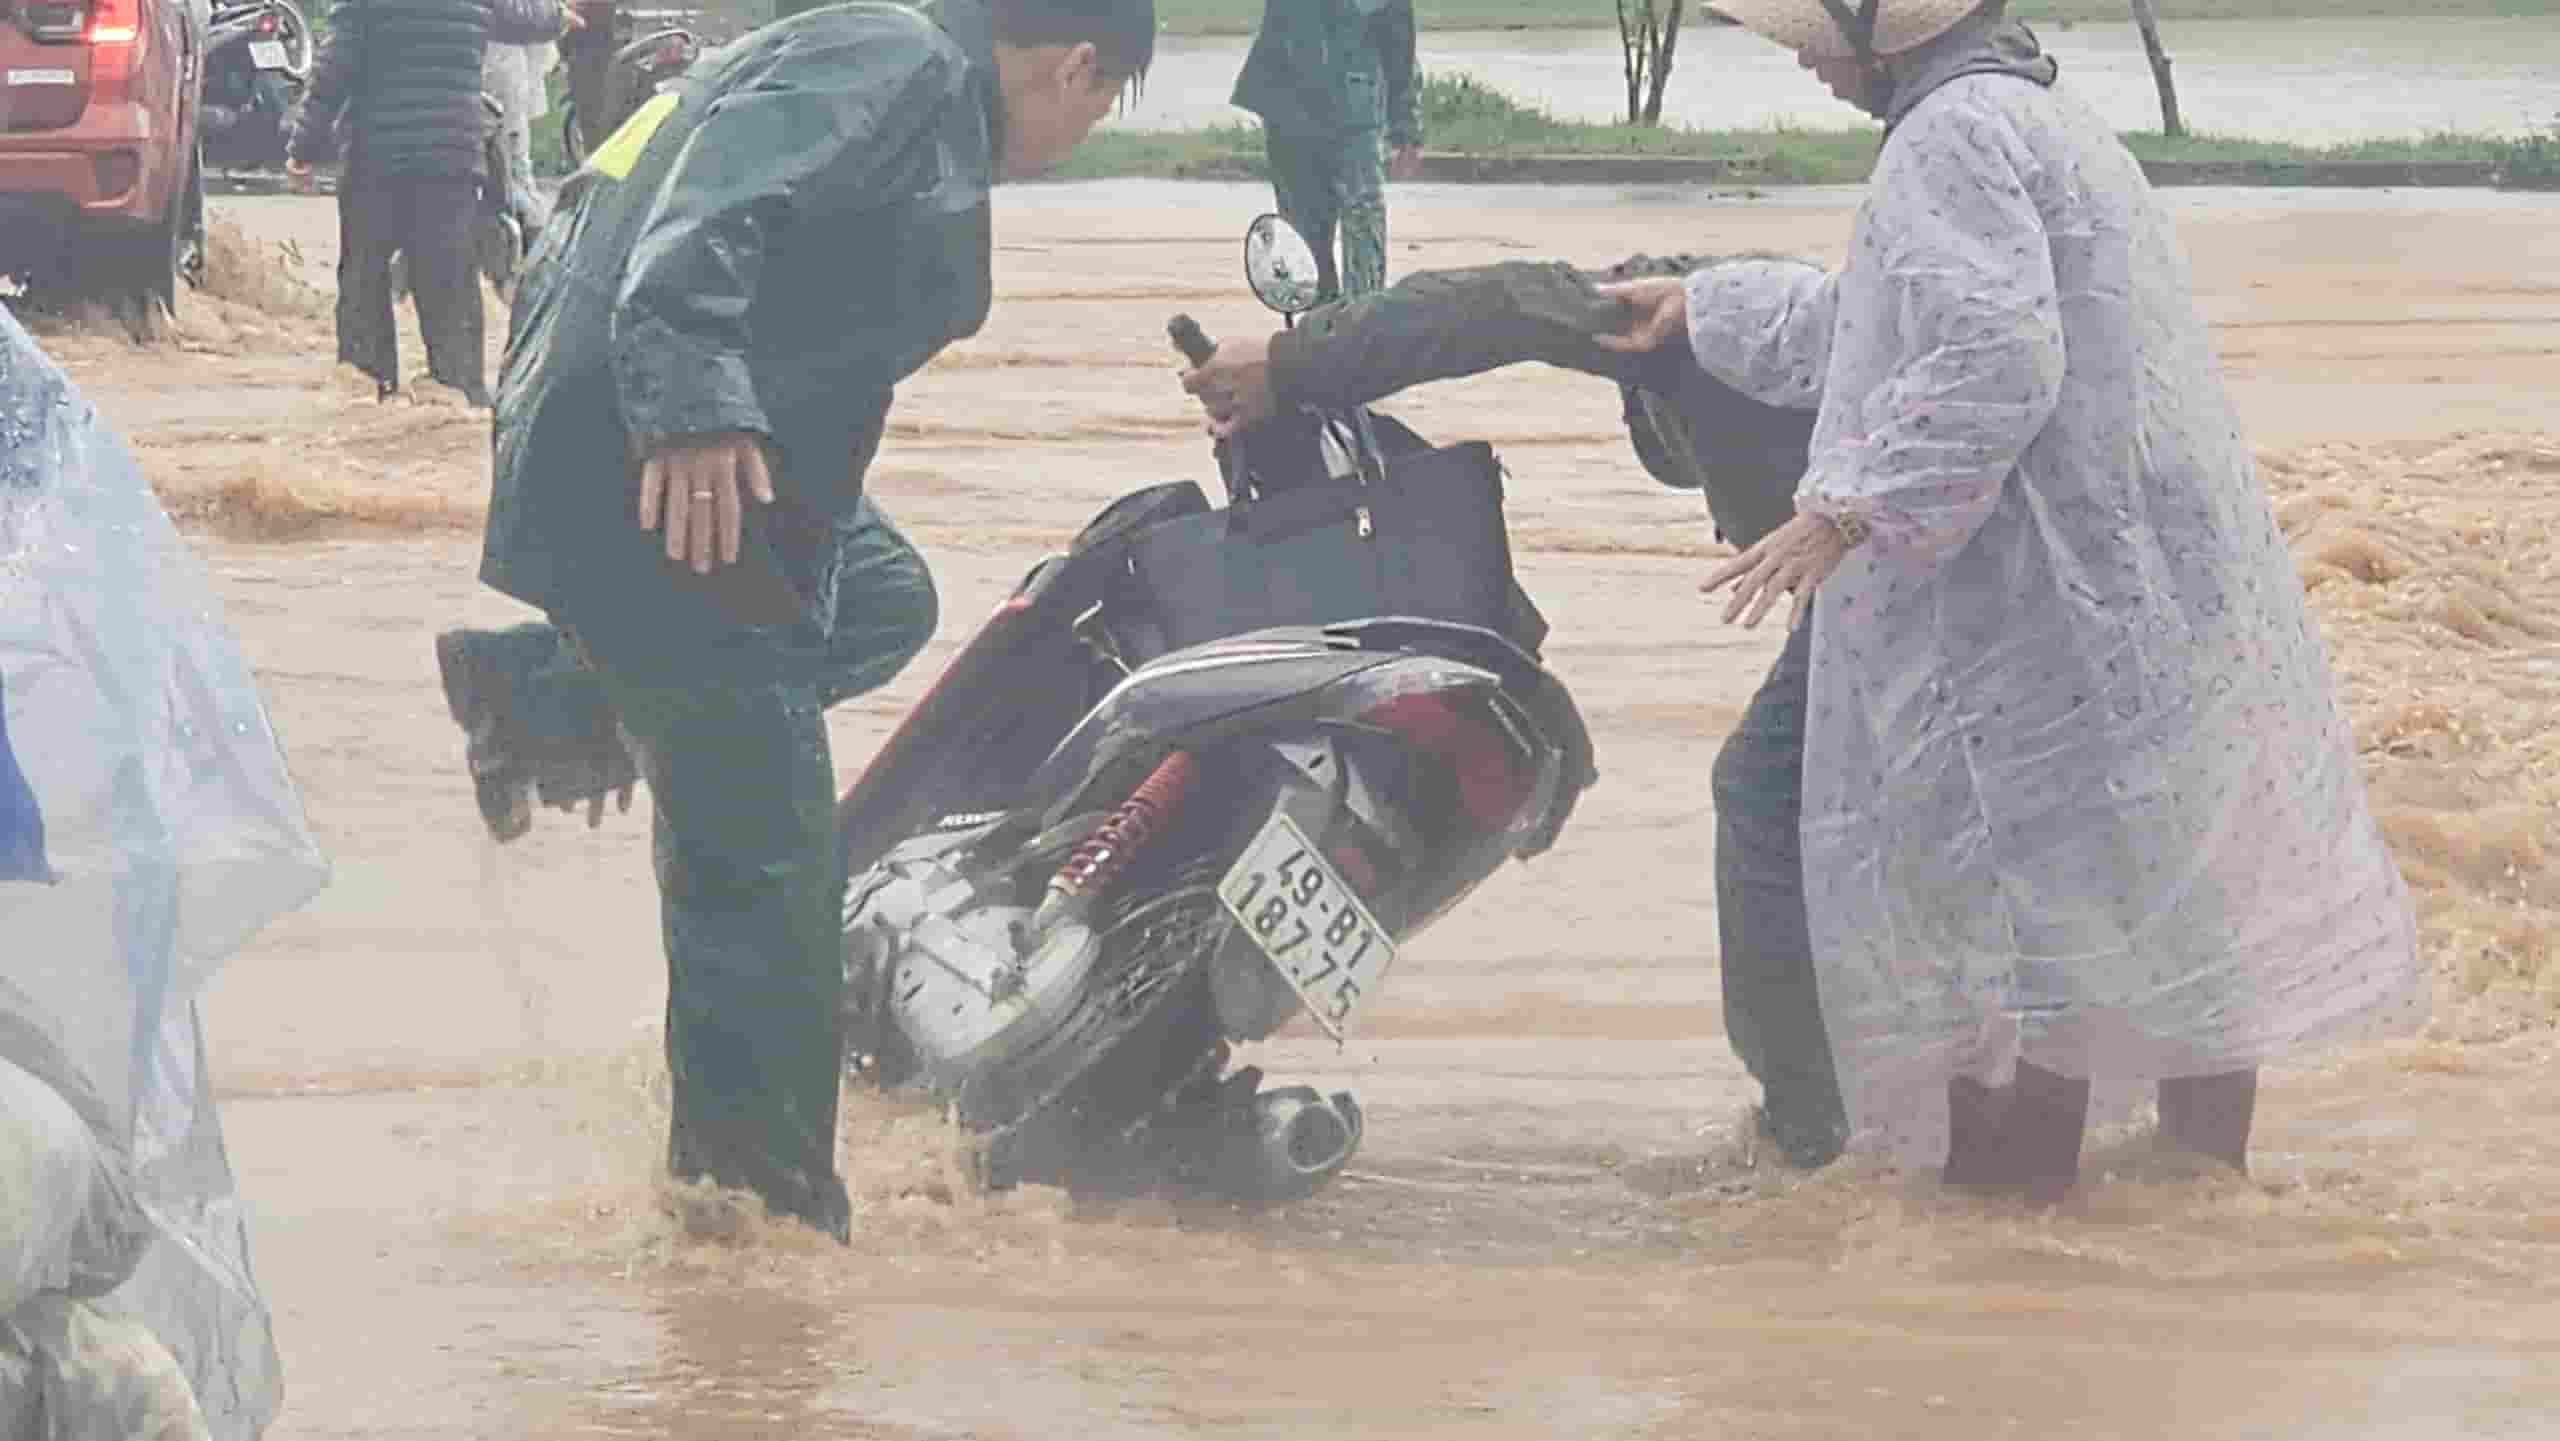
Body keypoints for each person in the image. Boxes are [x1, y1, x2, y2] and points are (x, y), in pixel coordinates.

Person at [1588, 0, 2424, 1202]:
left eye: (1816, 40)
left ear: (1882, 33)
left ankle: (1943, 1210)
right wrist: (1707, 304)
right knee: (2138, 874)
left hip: (2036, 597)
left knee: (1998, 897)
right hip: (2140, 580)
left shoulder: (1946, 137)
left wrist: (1841, 507)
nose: (1809, 67)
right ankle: (2199, 1208)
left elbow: (1992, 355)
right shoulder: (2042, 114)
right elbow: (1896, 320)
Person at [432, 0, 1155, 1241]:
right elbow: (707, 206)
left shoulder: (903, 81)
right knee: (766, 865)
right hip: (664, 456)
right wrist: (692, 403)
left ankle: (543, 694)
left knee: (885, 597)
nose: (1083, 134)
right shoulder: (897, 60)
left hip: (700, 457)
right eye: (1099, 108)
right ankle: (754, 1228)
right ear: (1077, 65)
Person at [1176, 253, 1854, 1166]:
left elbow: (1497, 306)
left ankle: (1806, 1140)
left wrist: (1290, 366)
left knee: (1764, 792)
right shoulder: (1781, 319)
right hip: (1909, 572)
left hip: (1901, 574)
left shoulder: (1696, 331)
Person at [284, 0, 571, 405]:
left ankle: (369, 388)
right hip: (451, 159)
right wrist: (560, 18)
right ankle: (459, 388)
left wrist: (304, 148)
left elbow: (333, 73)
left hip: (376, 160)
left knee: (366, 277)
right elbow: (519, 17)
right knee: (449, 276)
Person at [1232, 0, 1424, 302]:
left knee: (1361, 218)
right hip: (1289, 107)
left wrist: (1406, 128)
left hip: (1352, 111)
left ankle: (1363, 319)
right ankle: (1321, 322)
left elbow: (1399, 40)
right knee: (1304, 230)